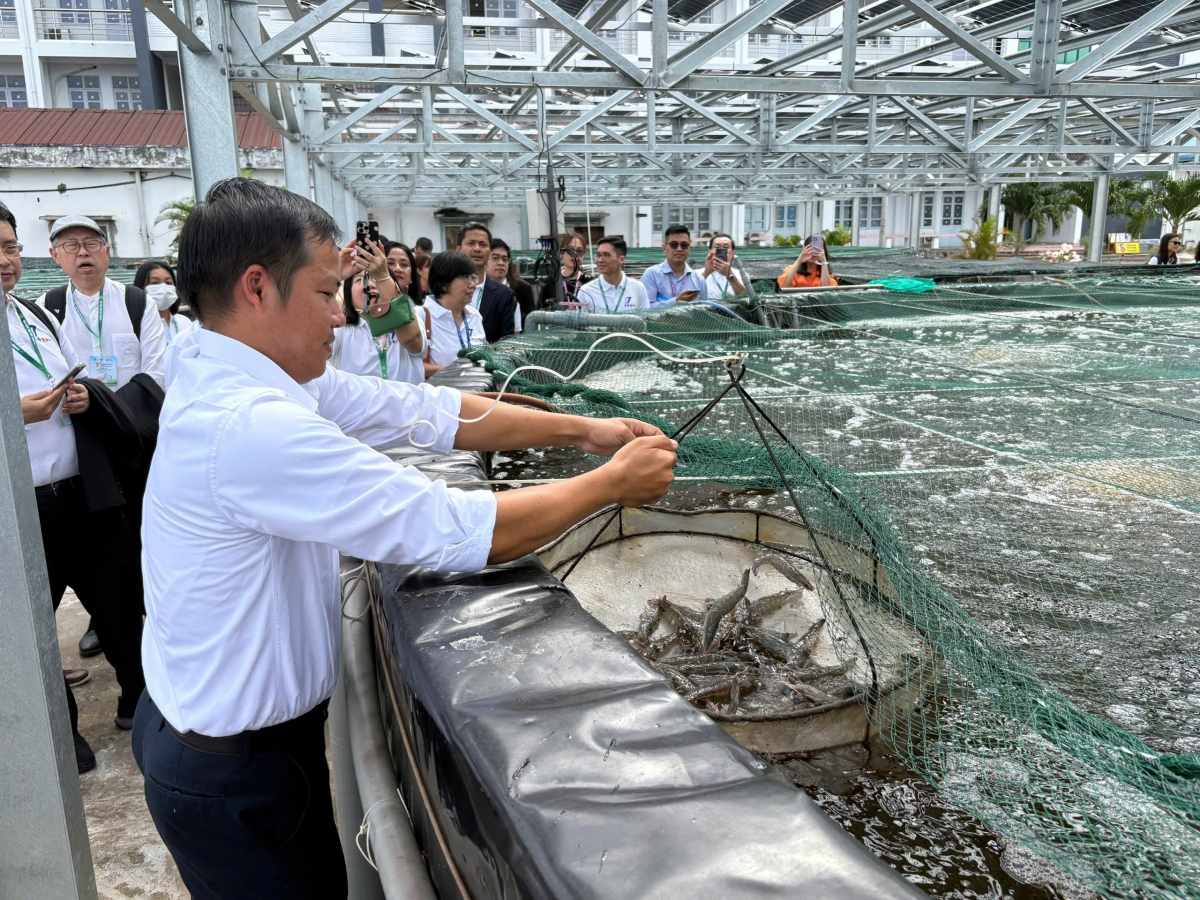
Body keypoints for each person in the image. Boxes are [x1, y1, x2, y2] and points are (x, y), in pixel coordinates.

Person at [132, 177, 676, 900]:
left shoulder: (241, 370)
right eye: (327, 293)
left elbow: (424, 411)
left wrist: (586, 432)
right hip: (235, 772)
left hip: (204, 728)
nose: (343, 314)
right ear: (258, 287)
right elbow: (456, 530)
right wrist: (610, 484)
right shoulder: (253, 426)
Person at [2, 203, 146, 773]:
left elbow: (71, 373)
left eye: (11, 247)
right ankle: (63, 738)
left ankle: (138, 701)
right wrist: (15, 415)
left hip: (80, 493)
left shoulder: (35, 315)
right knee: (35, 627)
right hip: (18, 508)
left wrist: (82, 397)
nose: (6, 259)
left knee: (117, 603)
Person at [41, 215, 167, 389]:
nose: (83, 252)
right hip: (71, 414)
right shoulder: (45, 308)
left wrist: (115, 406)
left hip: (129, 413)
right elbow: (44, 374)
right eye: (71, 245)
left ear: (106, 252)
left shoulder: (139, 302)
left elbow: (155, 373)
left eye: (91, 243)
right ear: (55, 255)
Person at [333, 240, 425, 385]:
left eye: (377, 280)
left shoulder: (412, 318)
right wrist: (334, 276)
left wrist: (383, 275)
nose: (370, 285)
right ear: (348, 293)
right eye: (360, 280)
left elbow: (412, 340)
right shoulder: (340, 329)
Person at [422, 251, 488, 374]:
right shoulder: (421, 317)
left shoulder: (474, 316)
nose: (473, 284)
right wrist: (451, 372)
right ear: (444, 284)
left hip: (476, 388)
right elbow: (409, 367)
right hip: (438, 391)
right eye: (466, 277)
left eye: (473, 277)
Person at [456, 222, 516, 343]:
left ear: (489, 251)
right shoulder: (445, 288)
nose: (477, 248)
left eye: (483, 244)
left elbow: (506, 341)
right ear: (458, 250)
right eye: (471, 243)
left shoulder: (504, 295)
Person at [576, 236, 649, 313]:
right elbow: (580, 324)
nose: (600, 260)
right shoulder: (587, 291)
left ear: (621, 259)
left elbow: (646, 321)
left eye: (606, 255)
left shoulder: (637, 288)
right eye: (598, 255)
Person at [640, 224, 708, 308]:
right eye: (674, 244)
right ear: (664, 248)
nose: (679, 249)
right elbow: (646, 308)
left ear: (689, 249)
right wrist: (676, 301)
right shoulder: (652, 275)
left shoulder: (699, 279)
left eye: (684, 245)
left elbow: (705, 309)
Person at [134, 260, 194, 345]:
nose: (163, 288)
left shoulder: (184, 323)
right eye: (155, 283)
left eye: (168, 283)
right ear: (141, 288)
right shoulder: (136, 327)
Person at [486, 237, 535, 332]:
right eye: (495, 258)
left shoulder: (523, 288)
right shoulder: (475, 288)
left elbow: (531, 322)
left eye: (505, 259)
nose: (501, 263)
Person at [539, 232, 591, 307]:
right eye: (570, 250)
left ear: (584, 255)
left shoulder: (590, 283)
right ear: (561, 253)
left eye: (579, 251)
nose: (574, 255)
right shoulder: (551, 282)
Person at [702, 233, 748, 300]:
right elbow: (690, 295)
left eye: (726, 247)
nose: (721, 250)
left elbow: (746, 296)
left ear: (733, 253)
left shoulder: (741, 274)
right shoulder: (698, 274)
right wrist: (706, 273)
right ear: (709, 251)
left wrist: (729, 274)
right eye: (717, 247)